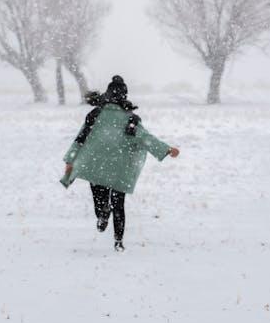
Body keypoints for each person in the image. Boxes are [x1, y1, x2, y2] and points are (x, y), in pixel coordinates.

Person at [60, 75, 180, 251]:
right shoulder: (131, 119)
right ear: (124, 97)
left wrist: (70, 160)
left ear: (107, 95)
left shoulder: (95, 114)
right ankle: (118, 242)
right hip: (119, 169)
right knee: (119, 205)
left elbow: (80, 139)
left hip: (96, 166)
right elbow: (145, 139)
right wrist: (166, 149)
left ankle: (102, 215)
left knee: (99, 197)